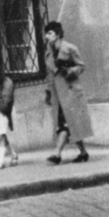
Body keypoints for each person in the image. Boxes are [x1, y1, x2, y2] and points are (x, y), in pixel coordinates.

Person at [43, 21, 91, 164]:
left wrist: (68, 71)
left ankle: (57, 154)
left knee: (67, 124)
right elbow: (49, 75)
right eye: (46, 33)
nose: (47, 36)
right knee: (70, 123)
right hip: (58, 93)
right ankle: (83, 152)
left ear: (57, 34)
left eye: (50, 33)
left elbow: (81, 66)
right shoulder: (49, 52)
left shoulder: (70, 48)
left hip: (70, 91)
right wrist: (48, 92)